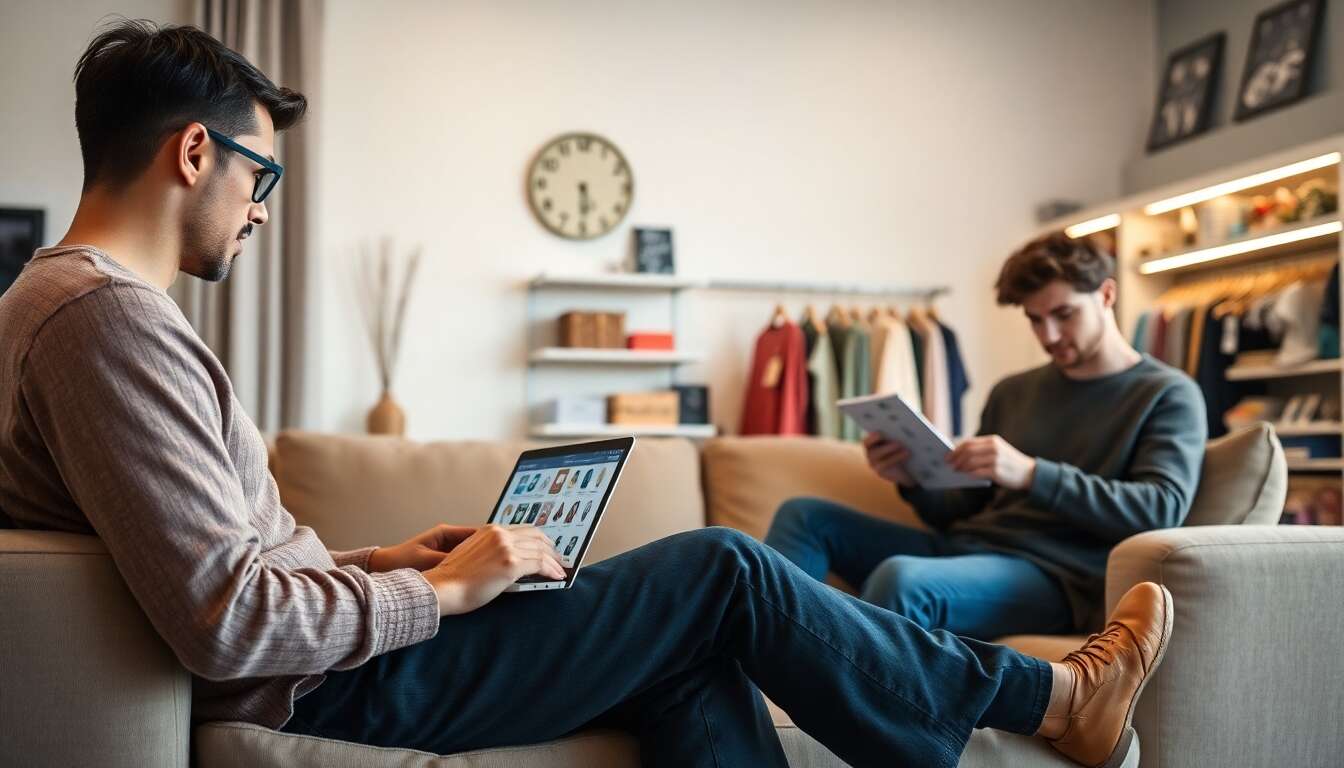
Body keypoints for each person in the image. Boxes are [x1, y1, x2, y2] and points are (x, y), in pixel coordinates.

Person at [0, 21, 1174, 768]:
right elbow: (229, 625)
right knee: (724, 569)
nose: (261, 209)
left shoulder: (75, 307)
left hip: (330, 661)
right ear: (194, 154)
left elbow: (226, 573)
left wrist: (385, 562)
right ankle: (1048, 697)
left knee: (691, 648)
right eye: (259, 175)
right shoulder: (105, 317)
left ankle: (1030, 699)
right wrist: (444, 594)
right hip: (328, 689)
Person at [766, 232, 1206, 639]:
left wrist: (1032, 474)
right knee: (804, 517)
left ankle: (824, 691)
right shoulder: (1013, 391)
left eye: (1063, 314)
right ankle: (765, 673)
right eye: (1035, 320)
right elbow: (959, 508)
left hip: (1057, 575)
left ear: (1106, 294)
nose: (1049, 335)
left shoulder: (1167, 393)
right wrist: (912, 478)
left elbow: (1159, 509)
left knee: (903, 578)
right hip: (965, 550)